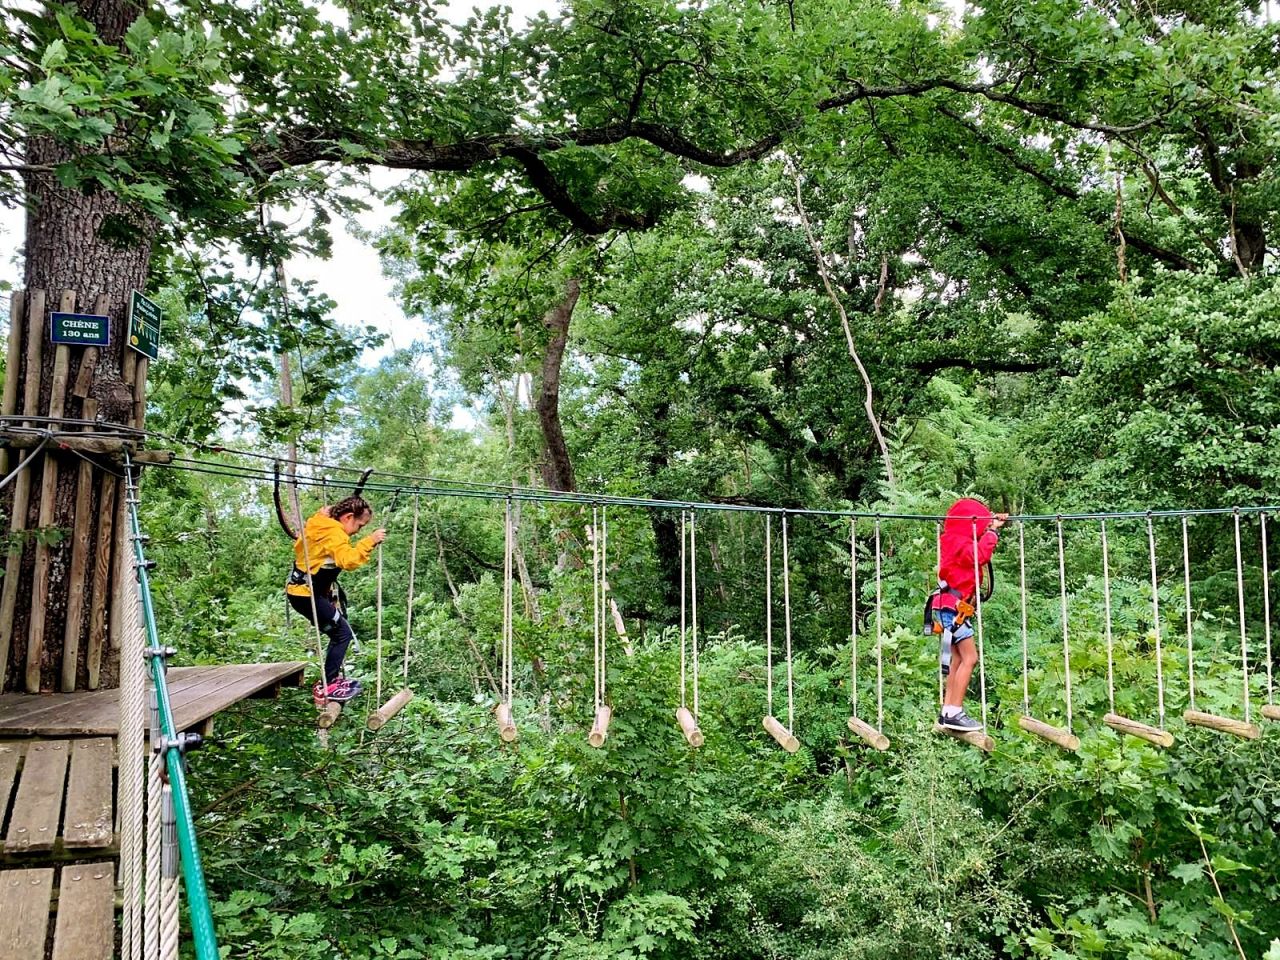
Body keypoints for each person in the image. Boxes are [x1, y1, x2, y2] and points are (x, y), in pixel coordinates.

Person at [286, 496, 386, 704]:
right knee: (342, 633)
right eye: (359, 525)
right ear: (348, 517)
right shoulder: (333, 533)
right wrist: (370, 541)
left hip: (305, 592)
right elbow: (347, 560)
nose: (359, 531)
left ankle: (329, 681)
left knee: (338, 632)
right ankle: (327, 684)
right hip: (306, 595)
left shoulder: (322, 524)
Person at [929, 498, 1006, 733]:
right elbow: (979, 557)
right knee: (970, 658)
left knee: (958, 660)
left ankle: (947, 710)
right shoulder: (958, 543)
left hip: (949, 608)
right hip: (951, 609)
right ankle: (954, 711)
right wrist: (991, 532)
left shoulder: (954, 539)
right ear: (967, 524)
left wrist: (991, 524)